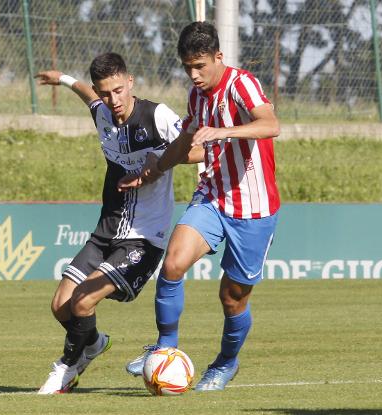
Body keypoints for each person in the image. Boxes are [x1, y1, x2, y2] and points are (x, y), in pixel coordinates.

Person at [121, 21, 280, 391]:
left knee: (232, 298)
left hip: (253, 209)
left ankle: (226, 363)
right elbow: (184, 142)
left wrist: (223, 132)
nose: (194, 75)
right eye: (187, 67)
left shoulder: (242, 84)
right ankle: (164, 348)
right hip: (212, 197)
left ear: (218, 58)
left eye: (200, 66)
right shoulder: (197, 96)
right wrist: (155, 169)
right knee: (173, 262)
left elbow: (271, 125)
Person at [33, 52, 194, 394]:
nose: (114, 100)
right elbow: (87, 96)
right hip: (107, 231)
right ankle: (92, 344)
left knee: (83, 302)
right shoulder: (103, 113)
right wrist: (62, 79)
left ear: (130, 82)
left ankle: (67, 367)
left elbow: (196, 148)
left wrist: (160, 162)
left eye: (119, 90)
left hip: (143, 238)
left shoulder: (157, 115)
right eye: (106, 93)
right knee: (60, 305)